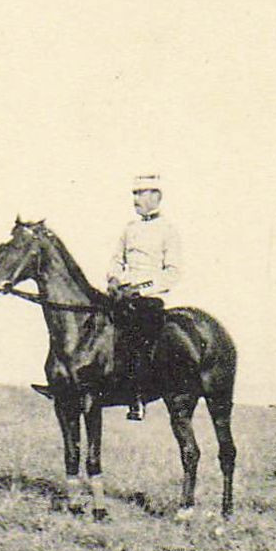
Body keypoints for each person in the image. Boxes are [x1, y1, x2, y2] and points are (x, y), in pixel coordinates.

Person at [105, 173, 183, 420]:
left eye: (141, 193)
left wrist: (141, 289)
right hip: (124, 294)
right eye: (134, 194)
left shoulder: (168, 230)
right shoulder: (129, 229)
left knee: (138, 334)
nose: (136, 199)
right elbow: (116, 261)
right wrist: (115, 279)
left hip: (149, 298)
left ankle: (136, 396)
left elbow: (171, 273)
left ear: (156, 196)